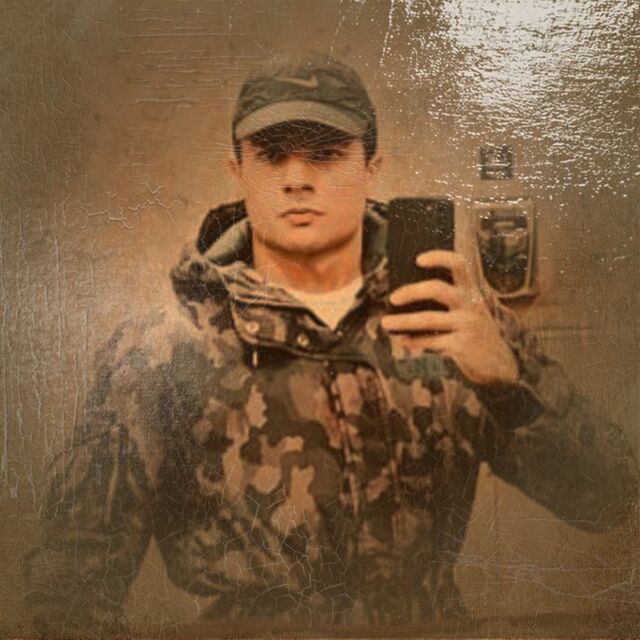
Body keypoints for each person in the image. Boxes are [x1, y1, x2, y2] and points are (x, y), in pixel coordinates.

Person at [24, 52, 638, 636]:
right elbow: (69, 587)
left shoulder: (453, 317)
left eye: (325, 154)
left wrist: (508, 387)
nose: (297, 179)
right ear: (238, 169)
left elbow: (608, 500)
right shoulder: (164, 348)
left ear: (371, 166)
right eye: (271, 156)